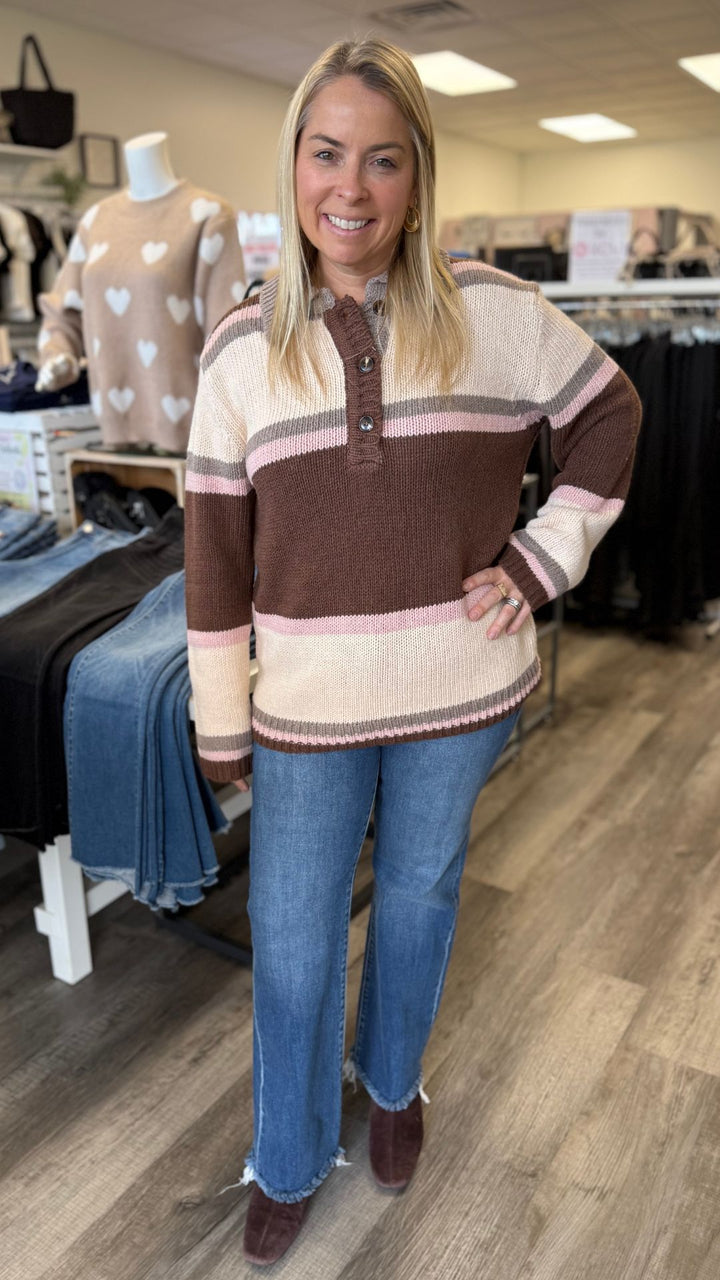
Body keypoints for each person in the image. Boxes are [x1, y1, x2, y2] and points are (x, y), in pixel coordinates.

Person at [184, 36, 642, 1266]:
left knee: (422, 902)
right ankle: (287, 1151)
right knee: (289, 934)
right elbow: (218, 558)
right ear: (292, 166)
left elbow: (612, 414)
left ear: (418, 175)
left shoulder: (497, 311)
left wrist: (541, 562)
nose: (352, 186)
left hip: (460, 688)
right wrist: (220, 719)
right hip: (308, 706)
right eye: (327, 153)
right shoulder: (239, 352)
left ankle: (392, 1085)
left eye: (384, 159)